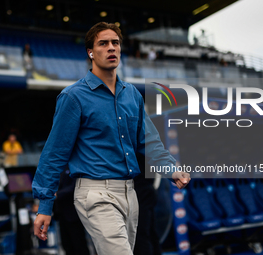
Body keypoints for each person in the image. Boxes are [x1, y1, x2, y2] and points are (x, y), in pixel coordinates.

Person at [32, 22, 190, 255]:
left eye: (115, 43)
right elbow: (54, 154)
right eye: (103, 43)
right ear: (90, 52)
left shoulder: (132, 95)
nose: (111, 48)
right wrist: (44, 206)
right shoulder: (73, 97)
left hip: (129, 192)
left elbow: (148, 140)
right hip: (95, 193)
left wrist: (170, 168)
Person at [53, 169, 90, 255]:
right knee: (66, 244)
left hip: (74, 213)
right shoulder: (58, 168)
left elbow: (75, 186)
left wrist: (57, 194)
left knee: (79, 244)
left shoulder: (74, 166)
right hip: (61, 213)